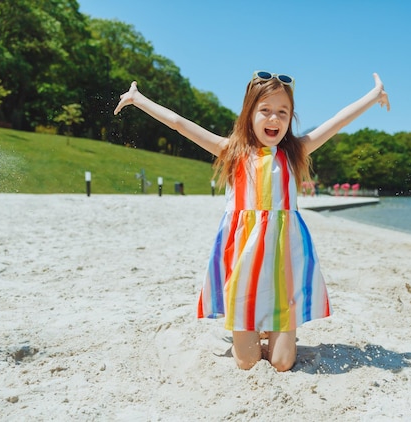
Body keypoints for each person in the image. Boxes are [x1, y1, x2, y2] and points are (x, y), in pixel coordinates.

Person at [114, 71, 390, 372]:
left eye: (282, 112)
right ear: (250, 114)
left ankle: (272, 327)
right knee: (247, 362)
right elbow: (181, 125)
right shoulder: (232, 151)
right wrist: (138, 100)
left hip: (283, 262)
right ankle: (254, 327)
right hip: (244, 261)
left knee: (282, 363)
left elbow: (337, 121)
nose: (274, 119)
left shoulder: (294, 152)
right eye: (266, 110)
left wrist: (374, 95)